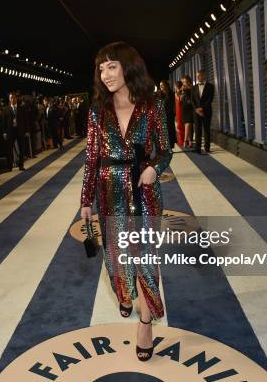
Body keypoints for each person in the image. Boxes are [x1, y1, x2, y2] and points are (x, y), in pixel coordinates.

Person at [80, 42, 172, 361]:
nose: (105, 74)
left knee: (145, 257)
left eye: (112, 66)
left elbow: (165, 149)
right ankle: (125, 292)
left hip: (144, 194)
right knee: (118, 258)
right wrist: (85, 200)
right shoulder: (96, 111)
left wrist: (153, 168)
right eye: (101, 68)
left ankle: (145, 324)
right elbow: (92, 158)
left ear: (128, 67)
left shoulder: (152, 105)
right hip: (109, 193)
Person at [191, 70, 214, 154]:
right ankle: (198, 148)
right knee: (197, 130)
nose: (197, 77)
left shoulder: (210, 86)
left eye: (199, 76)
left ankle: (207, 148)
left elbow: (210, 99)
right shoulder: (193, 87)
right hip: (196, 112)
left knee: (206, 129)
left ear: (204, 76)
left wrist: (202, 108)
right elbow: (192, 100)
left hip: (206, 111)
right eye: (197, 76)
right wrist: (197, 109)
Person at [159, 80, 177, 149]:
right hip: (162, 114)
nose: (161, 87)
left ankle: (171, 144)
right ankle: (164, 145)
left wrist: (174, 113)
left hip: (170, 114)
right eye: (160, 86)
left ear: (166, 86)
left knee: (170, 129)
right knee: (163, 130)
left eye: (162, 85)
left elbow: (174, 104)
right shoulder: (160, 94)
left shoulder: (172, 94)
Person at [180, 75, 195, 149]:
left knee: (188, 124)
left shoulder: (193, 87)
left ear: (188, 81)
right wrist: (182, 92)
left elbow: (194, 96)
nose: (184, 83)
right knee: (187, 124)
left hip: (191, 108)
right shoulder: (183, 88)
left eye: (185, 81)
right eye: (183, 82)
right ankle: (190, 141)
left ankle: (185, 141)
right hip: (184, 108)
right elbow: (181, 99)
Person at [173, 80, 185, 147]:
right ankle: (181, 140)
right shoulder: (177, 93)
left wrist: (178, 93)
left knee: (181, 125)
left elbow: (180, 100)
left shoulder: (181, 93)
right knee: (179, 125)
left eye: (175, 86)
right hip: (178, 110)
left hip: (181, 110)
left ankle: (182, 140)